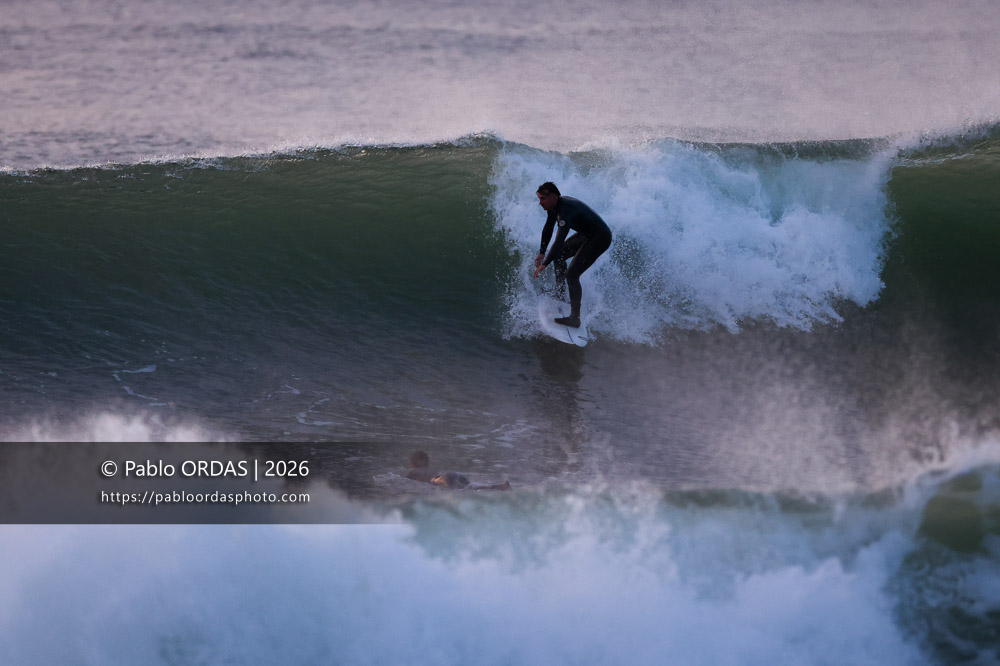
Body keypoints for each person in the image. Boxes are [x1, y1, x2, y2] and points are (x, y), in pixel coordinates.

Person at [532, 182, 612, 328]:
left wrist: (545, 264)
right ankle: (560, 293)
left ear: (554, 197)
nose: (540, 202)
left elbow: (559, 240)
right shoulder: (553, 207)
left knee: (572, 275)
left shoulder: (565, 210)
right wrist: (542, 252)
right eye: (539, 198)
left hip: (600, 238)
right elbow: (548, 228)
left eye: (543, 198)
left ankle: (575, 318)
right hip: (587, 235)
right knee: (559, 256)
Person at [405, 451, 511, 490]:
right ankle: (500, 486)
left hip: (443, 479)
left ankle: (499, 487)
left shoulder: (414, 472)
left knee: (468, 490)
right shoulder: (430, 470)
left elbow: (405, 482)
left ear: (411, 463)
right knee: (471, 486)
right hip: (454, 474)